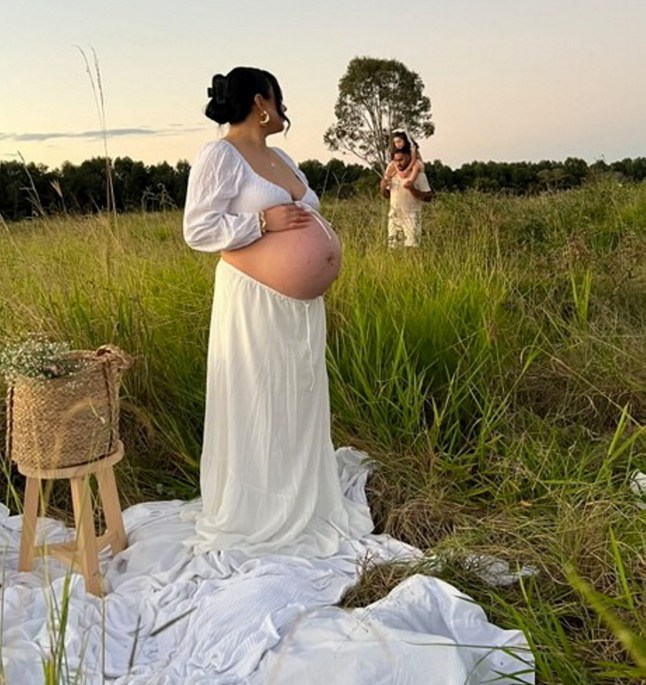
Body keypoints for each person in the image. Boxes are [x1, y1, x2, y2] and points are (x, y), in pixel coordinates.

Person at [182, 66, 373, 557]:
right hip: (255, 300)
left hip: (299, 310)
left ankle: (301, 492)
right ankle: (260, 505)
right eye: (279, 98)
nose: (284, 109)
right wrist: (261, 221)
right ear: (261, 101)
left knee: (297, 392)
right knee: (259, 392)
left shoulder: (280, 155)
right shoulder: (219, 154)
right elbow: (198, 230)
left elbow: (304, 210)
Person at [380, 145, 433, 248]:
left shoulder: (418, 175)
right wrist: (382, 187)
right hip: (394, 217)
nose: (398, 163)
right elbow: (387, 195)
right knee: (394, 248)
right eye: (396, 160)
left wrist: (412, 189)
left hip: (412, 217)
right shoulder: (392, 174)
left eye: (401, 160)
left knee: (412, 248)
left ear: (409, 158)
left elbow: (429, 197)